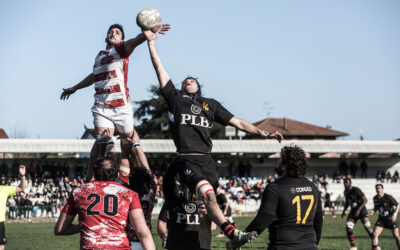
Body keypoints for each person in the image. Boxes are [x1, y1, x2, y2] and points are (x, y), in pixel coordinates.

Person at [142, 28, 283, 249]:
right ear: (180, 87)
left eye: (192, 80)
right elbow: (160, 69)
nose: (188, 81)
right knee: (207, 194)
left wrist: (264, 133)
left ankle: (219, 243)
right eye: (185, 80)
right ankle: (234, 233)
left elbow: (238, 122)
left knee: (208, 209)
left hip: (207, 160)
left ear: (198, 86)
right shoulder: (176, 100)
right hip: (187, 159)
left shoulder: (210, 104)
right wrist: (151, 43)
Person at [60, 23, 170, 181]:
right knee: (101, 143)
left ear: (121, 39)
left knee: (128, 145)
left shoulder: (120, 49)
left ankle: (137, 179)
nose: (113, 33)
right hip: (101, 107)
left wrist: (148, 32)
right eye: (110, 32)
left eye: (117, 32)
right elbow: (94, 76)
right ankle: (93, 181)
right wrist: (75, 88)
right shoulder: (99, 56)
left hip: (121, 107)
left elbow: (134, 41)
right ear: (106, 36)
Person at [227, 145, 323, 250]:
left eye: (279, 159)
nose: (277, 161)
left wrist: (239, 240)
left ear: (285, 166)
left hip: (283, 245)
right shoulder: (312, 187)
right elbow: (318, 221)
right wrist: (314, 243)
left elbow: (263, 219)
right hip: (309, 245)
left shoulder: (275, 188)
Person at [54, 157, 155, 250]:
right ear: (117, 175)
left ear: (95, 173)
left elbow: (60, 229)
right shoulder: (129, 194)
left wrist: (84, 226)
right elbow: (143, 232)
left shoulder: (79, 192)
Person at [157, 170, 201, 250]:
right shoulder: (171, 200)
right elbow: (162, 222)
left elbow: (212, 225)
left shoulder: (201, 200)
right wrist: (164, 236)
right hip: (175, 244)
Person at [341, 178, 373, 250]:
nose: (345, 184)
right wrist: (344, 211)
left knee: (368, 228)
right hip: (353, 212)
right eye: (344, 182)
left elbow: (365, 200)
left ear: (350, 183)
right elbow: (347, 202)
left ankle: (375, 244)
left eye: (346, 182)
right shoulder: (345, 192)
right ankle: (353, 246)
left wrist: (358, 210)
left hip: (362, 211)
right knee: (348, 227)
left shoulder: (356, 190)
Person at [0, 165, 26, 250]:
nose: (3, 180)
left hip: (0, 222)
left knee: (1, 244)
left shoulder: (4, 189)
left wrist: (22, 176)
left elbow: (21, 188)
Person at [368, 184, 400, 250]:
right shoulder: (375, 198)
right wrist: (373, 211)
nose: (378, 189)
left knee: (396, 236)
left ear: (382, 189)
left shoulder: (388, 197)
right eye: (377, 188)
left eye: (379, 188)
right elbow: (376, 207)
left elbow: (398, 205)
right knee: (375, 234)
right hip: (382, 219)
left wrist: (394, 215)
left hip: (390, 219)